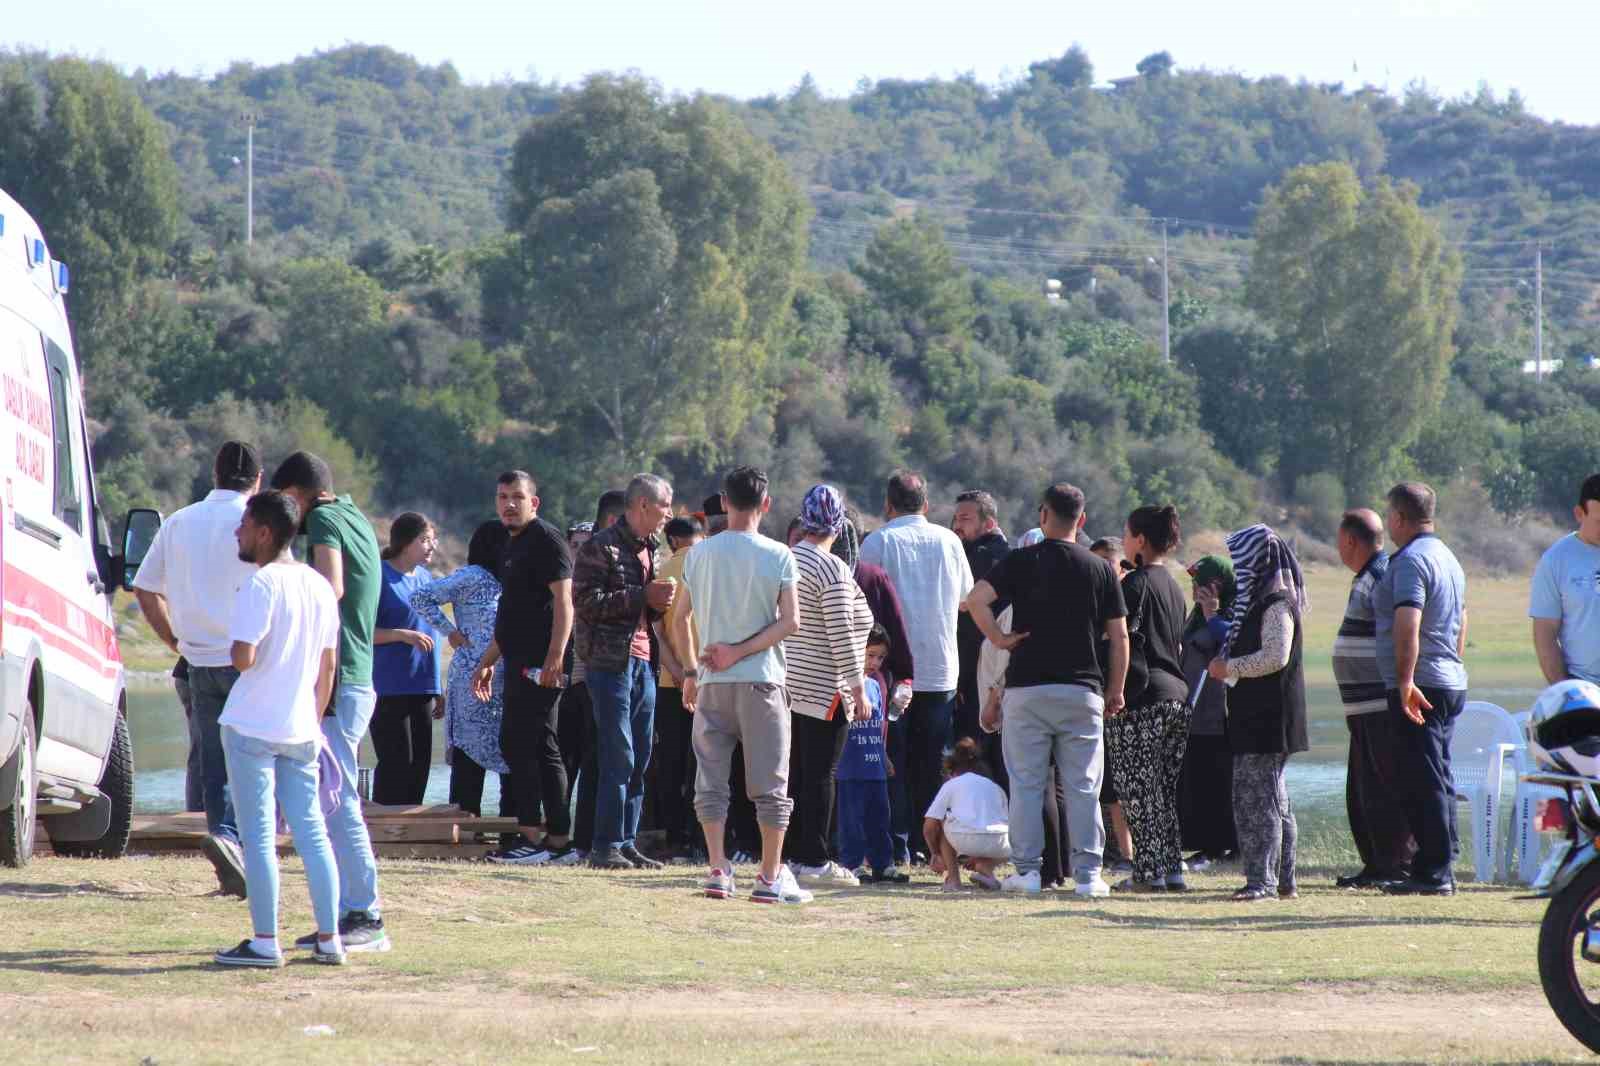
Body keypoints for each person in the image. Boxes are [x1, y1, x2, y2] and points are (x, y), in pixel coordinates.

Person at [967, 482, 1128, 897]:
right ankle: (1088, 875)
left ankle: (1027, 871)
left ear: (1043, 515)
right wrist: (1116, 689)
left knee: (1026, 784)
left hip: (1027, 689)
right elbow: (1119, 636)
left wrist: (1000, 640)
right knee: (1083, 786)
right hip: (1082, 689)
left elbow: (975, 600)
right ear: (1082, 520)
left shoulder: (1021, 560)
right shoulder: (1100, 569)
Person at [212, 490, 345, 968]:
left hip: (252, 724)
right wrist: (314, 718)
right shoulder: (319, 586)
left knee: (258, 836)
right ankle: (330, 937)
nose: (238, 532)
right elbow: (328, 667)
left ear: (265, 533)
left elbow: (243, 658)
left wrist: (236, 639)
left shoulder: (261, 583)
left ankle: (266, 941)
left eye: (245, 525)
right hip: (301, 726)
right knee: (313, 833)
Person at [270, 451, 388, 951]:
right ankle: (344, 913)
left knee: (339, 803)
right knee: (336, 797)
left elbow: (331, 587)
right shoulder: (355, 515)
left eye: (287, 502)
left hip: (338, 681)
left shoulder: (321, 519)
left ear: (304, 494)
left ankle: (365, 915)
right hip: (357, 677)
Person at [133, 441, 261, 898]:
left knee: (212, 763)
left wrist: (174, 641)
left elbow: (145, 588)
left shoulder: (180, 521)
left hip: (198, 660)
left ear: (214, 474)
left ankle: (225, 844)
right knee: (253, 759)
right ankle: (242, 846)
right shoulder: (258, 522)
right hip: (250, 660)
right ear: (258, 480)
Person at [676, 466, 809, 904]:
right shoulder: (779, 554)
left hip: (712, 683)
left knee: (710, 783)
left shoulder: (698, 554)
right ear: (766, 504)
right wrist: (741, 651)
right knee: (771, 785)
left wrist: (692, 670)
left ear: (724, 502)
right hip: (762, 682)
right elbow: (790, 622)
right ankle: (769, 875)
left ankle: (718, 868)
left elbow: (679, 619)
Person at [860, 471, 974, 863]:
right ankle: (934, 847)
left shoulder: (877, 542)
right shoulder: (950, 541)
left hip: (893, 670)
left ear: (887, 505)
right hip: (940, 668)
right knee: (932, 763)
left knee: (892, 760)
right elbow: (966, 599)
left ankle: (899, 845)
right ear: (926, 505)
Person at [471, 471, 576, 866]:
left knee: (522, 742)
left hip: (541, 662)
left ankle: (534, 837)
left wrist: (555, 656)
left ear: (534, 503)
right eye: (502, 497)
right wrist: (487, 661)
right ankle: (557, 840)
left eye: (517, 497)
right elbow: (513, 614)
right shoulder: (510, 543)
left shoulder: (547, 540)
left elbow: (564, 603)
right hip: (516, 660)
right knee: (535, 744)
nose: (509, 504)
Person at [573, 473, 676, 870]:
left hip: (644, 664)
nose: (669, 514)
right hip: (609, 665)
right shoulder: (601, 547)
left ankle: (627, 842)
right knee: (619, 755)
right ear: (643, 505)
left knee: (641, 756)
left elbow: (643, 611)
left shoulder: (651, 548)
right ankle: (605, 846)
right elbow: (586, 602)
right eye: (665, 506)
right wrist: (643, 595)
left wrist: (657, 604)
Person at [1374, 483, 1468, 897]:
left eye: (1389, 516)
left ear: (1398, 518)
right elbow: (1463, 619)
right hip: (1447, 679)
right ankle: (1443, 859)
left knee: (1421, 778)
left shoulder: (1412, 561)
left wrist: (1405, 681)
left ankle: (1433, 872)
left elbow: (1408, 622)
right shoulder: (1447, 556)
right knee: (1438, 774)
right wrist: (1452, 662)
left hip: (1422, 684)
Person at [1207, 524, 1309, 902]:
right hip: (1258, 715)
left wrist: (1229, 668)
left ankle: (1262, 882)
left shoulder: (1276, 603)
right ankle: (1281, 881)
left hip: (1269, 717)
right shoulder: (1261, 600)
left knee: (1258, 801)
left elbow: (1274, 657)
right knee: (1273, 799)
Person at [784, 484, 876, 887]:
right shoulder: (832, 568)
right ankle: (815, 858)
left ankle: (792, 853)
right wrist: (858, 687)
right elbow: (841, 633)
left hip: (789, 683)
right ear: (839, 524)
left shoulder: (786, 559)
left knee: (797, 773)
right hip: (826, 687)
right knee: (822, 774)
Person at [1104, 505, 1192, 893]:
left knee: (1137, 789)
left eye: (1126, 535)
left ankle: (1147, 872)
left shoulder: (1134, 586)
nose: (1124, 541)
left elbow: (1117, 640)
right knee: (1163, 790)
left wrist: (1113, 690)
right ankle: (1171, 868)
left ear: (1140, 540)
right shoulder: (1173, 587)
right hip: (1177, 695)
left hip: (1142, 697)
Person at [1333, 509, 1415, 889]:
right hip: (1362, 707)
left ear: (1350, 540)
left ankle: (1396, 865)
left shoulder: (1380, 575)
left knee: (1383, 790)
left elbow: (1396, 632)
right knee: (1363, 791)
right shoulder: (1366, 576)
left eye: (1339, 540)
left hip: (1379, 704)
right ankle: (1376, 865)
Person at [412, 520, 512, 818]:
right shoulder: (472, 576)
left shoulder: (511, 577)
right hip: (471, 675)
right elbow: (420, 597)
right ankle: (465, 826)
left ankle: (511, 828)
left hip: (505, 677)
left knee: (509, 753)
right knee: (469, 751)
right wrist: (450, 631)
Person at [370, 513, 443, 806]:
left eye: (433, 540)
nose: (432, 546)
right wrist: (400, 635)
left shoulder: (426, 579)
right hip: (388, 687)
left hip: (422, 686)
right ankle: (384, 825)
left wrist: (438, 688)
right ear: (404, 542)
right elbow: (359, 632)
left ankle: (411, 825)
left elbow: (433, 633)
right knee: (396, 763)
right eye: (425, 540)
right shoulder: (378, 576)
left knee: (420, 764)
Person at [1177, 555, 1238, 868]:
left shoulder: (1232, 613)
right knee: (1197, 778)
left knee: (1217, 779)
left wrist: (1213, 613)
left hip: (1218, 712)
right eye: (1195, 583)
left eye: (1203, 584)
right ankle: (1203, 844)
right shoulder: (1196, 616)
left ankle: (1222, 846)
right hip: (1193, 710)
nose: (1196, 589)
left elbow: (1233, 643)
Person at [837, 625, 906, 883]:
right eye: (870, 655)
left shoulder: (876, 686)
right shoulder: (844, 685)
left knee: (879, 817)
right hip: (850, 767)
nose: (875, 662)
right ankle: (852, 864)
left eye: (880, 657)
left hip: (874, 766)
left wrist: (884, 757)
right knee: (851, 820)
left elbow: (878, 726)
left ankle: (883, 864)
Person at [653, 515, 705, 857]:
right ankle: (700, 837)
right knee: (704, 763)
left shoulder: (664, 571)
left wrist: (677, 671)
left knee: (671, 764)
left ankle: (674, 837)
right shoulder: (714, 565)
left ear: (672, 541)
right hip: (711, 681)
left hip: (671, 682)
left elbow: (656, 631)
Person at [1089, 533, 1135, 871]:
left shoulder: (1132, 598)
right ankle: (1114, 849)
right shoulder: (1091, 602)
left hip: (1126, 699)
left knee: (1122, 784)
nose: (1102, 571)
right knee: (1105, 784)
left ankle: (1129, 853)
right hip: (1097, 700)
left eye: (1107, 564)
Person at [953, 489, 1011, 744]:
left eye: (965, 519)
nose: (957, 526)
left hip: (981, 669)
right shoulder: (980, 552)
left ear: (989, 523)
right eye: (956, 519)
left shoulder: (985, 556)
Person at [1532, 474, 1600, 685]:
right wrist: (1565, 690)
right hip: (1583, 687)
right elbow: (1545, 633)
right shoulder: (1556, 560)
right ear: (1579, 513)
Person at [924, 737, 1011, 892]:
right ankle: (986, 866)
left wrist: (935, 853)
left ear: (951, 770)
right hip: (1003, 845)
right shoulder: (995, 787)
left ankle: (954, 880)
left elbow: (930, 825)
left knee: (943, 821)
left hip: (966, 839)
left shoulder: (951, 784)